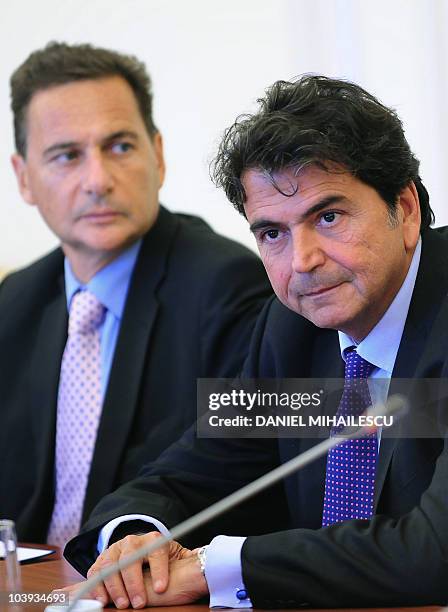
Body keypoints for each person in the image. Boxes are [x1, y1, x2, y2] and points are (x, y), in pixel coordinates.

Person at [64, 75, 448, 608]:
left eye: (328, 217)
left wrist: (213, 568)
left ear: (404, 209)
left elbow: (434, 553)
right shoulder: (289, 329)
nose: (302, 261)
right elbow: (184, 474)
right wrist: (134, 541)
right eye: (273, 233)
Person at [0, 42, 272, 547]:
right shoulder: (14, 301)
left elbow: (227, 476)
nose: (98, 181)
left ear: (159, 155)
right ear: (24, 178)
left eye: (120, 147)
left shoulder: (229, 287)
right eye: (67, 156)